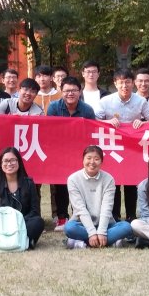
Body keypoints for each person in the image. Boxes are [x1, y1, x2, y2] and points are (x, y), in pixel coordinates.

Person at [96, 68, 149, 220]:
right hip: (112, 148)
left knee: (131, 181)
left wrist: (142, 123)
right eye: (121, 82)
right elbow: (94, 121)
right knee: (113, 182)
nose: (124, 86)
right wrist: (107, 122)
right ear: (115, 83)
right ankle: (115, 216)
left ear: (133, 83)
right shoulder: (105, 101)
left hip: (132, 148)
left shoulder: (140, 101)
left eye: (128, 82)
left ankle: (131, 215)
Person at [47, 76, 96, 230]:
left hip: (80, 153)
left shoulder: (87, 110)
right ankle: (62, 217)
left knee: (80, 185)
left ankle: (80, 216)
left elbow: (92, 133)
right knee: (60, 184)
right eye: (67, 91)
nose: (70, 94)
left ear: (80, 92)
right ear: (61, 91)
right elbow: (50, 131)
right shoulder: (53, 107)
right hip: (59, 153)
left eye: (74, 90)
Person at [64, 145, 132, 248]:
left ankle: (80, 242)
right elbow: (80, 209)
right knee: (69, 228)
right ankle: (109, 242)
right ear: (83, 160)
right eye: (89, 158)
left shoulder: (108, 179)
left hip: (106, 225)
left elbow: (107, 208)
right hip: (81, 224)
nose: (92, 162)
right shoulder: (73, 179)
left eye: (96, 159)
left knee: (126, 227)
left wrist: (101, 232)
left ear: (101, 162)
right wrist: (92, 233)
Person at [0, 148, 44, 249]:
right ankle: (24, 242)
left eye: (13, 160)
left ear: (19, 162)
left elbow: (35, 211)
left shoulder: (29, 183)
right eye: (6, 161)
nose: (9, 164)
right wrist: (4, 221)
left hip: (22, 223)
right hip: (1, 224)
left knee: (38, 222)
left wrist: (17, 221)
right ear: (1, 164)